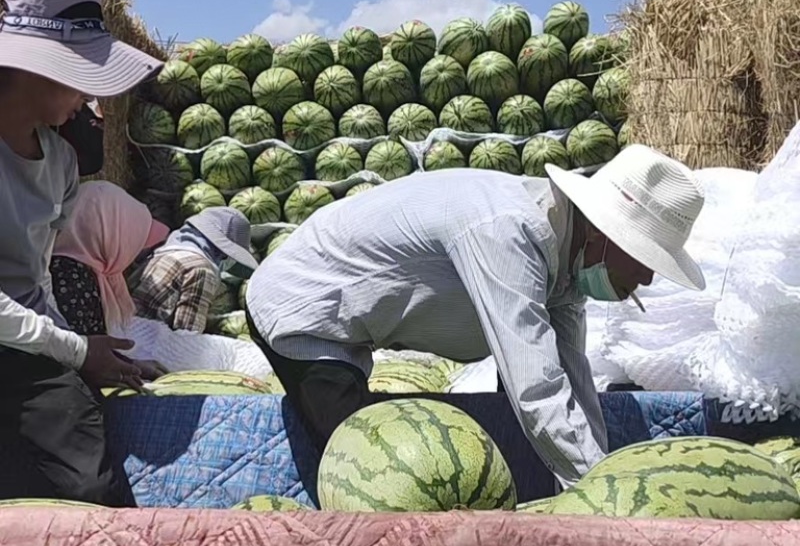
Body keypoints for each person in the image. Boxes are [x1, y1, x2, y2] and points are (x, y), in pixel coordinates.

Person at [245, 145, 706, 489]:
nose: (646, 277)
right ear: (607, 234)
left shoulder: (569, 260)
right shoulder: (508, 232)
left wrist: (602, 472)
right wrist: (605, 496)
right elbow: (536, 390)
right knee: (373, 472)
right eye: (646, 258)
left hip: (360, 319)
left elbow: (572, 378)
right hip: (304, 312)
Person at [0, 0, 163, 504]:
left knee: (91, 489)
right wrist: (74, 350)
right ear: (30, 70)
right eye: (80, 75)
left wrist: (89, 355)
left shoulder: (62, 165)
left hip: (26, 348)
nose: (90, 97)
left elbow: (35, 281)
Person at [51, 181, 169, 337]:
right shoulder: (72, 283)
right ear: (107, 236)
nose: (133, 253)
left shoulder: (95, 268)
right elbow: (86, 351)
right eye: (130, 242)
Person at [133, 208, 257, 333]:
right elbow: (188, 333)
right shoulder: (202, 270)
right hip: (142, 344)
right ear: (223, 254)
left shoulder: (162, 253)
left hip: (122, 334)